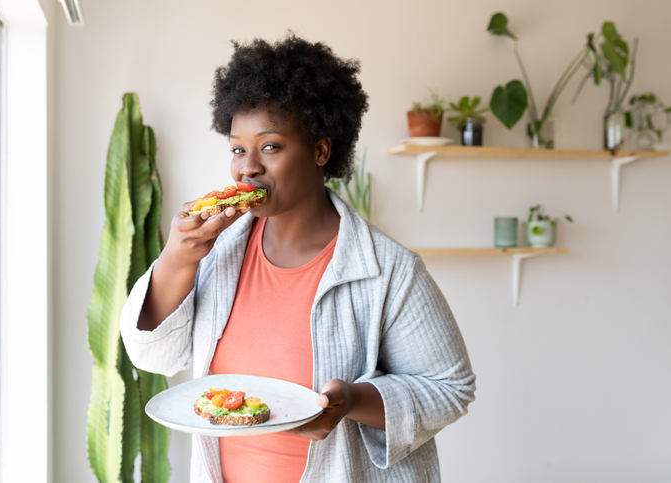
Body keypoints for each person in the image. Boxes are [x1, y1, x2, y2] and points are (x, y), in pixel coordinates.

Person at [120, 34, 475, 482]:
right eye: (236, 148)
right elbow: (153, 357)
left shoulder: (389, 269)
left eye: (269, 146)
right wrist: (177, 257)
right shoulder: (217, 250)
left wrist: (352, 400)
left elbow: (450, 389)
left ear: (321, 150)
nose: (247, 167)